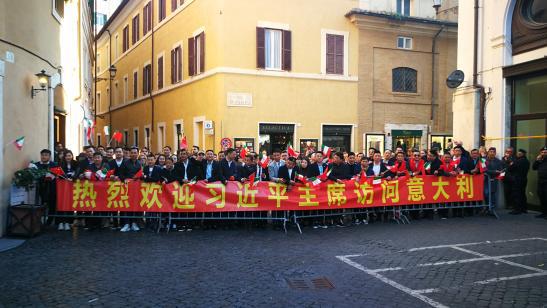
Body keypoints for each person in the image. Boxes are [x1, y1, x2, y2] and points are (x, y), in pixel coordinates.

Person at [120, 147, 142, 232]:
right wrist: (125, 179)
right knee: (127, 206)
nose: (134, 154)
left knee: (135, 205)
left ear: (138, 154)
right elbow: (121, 175)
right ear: (130, 154)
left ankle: (134, 223)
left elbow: (141, 174)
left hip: (136, 188)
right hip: (127, 188)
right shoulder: (125, 163)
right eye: (132, 153)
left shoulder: (139, 163)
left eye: (135, 153)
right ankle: (126, 224)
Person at [508, 149, 530, 215]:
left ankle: (517, 209)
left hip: (517, 179)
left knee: (516, 194)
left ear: (521, 154)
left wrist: (511, 164)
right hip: (524, 179)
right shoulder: (527, 161)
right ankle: (524, 208)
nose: (517, 154)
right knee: (522, 194)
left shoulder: (517, 161)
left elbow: (510, 169)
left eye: (519, 154)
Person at [484, 147, 503, 213]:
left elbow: (501, 171)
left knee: (493, 193)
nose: (492, 153)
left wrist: (499, 174)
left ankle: (492, 208)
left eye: (493, 152)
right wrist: (495, 171)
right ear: (488, 152)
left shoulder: (499, 161)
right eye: (490, 151)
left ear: (495, 153)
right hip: (485, 180)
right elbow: (484, 170)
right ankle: (487, 207)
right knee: (486, 193)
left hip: (494, 180)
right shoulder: (483, 160)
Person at [532, 146, 547, 219]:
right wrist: (537, 160)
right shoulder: (540, 160)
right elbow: (534, 168)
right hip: (541, 181)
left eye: (545, 152)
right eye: (542, 152)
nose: (544, 153)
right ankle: (543, 213)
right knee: (541, 197)